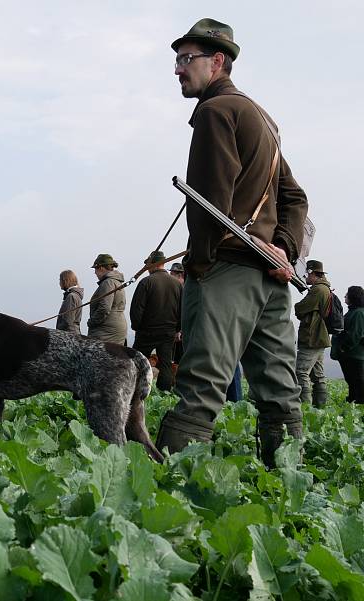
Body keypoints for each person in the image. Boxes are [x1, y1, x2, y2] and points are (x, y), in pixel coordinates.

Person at [156, 19, 308, 468]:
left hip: (226, 270)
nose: (179, 70)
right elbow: (295, 198)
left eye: (187, 60)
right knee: (281, 393)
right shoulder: (263, 118)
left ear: (217, 61)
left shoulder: (215, 111)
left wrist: (200, 265)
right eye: (177, 60)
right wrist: (286, 250)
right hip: (272, 278)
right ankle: (288, 484)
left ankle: (166, 493)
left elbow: (210, 201)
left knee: (201, 388)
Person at [130, 251, 182, 391]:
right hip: (168, 331)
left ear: (154, 264)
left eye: (148, 264)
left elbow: (136, 309)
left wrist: (137, 327)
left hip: (147, 331)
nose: (147, 268)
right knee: (165, 364)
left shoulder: (146, 282)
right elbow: (182, 309)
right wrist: (177, 329)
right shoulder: (177, 284)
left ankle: (135, 390)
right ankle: (164, 392)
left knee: (137, 363)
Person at [294, 260, 332, 406]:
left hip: (313, 336)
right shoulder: (325, 288)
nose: (305, 277)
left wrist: (298, 306)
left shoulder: (318, 290)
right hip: (319, 337)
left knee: (301, 372)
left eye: (306, 274)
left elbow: (300, 308)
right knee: (318, 375)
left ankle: (305, 407)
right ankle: (319, 408)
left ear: (311, 272)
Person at [331, 286, 364, 404]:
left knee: (358, 384)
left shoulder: (359, 313)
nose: (345, 296)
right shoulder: (353, 311)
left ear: (353, 297)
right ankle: (353, 404)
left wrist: (343, 348)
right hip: (351, 355)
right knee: (353, 382)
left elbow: (355, 335)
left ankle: (359, 409)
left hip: (355, 356)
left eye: (347, 294)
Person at [86, 254, 127, 344]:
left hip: (106, 329)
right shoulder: (116, 281)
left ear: (100, 268)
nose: (95, 273)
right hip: (116, 326)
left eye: (95, 270)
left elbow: (104, 308)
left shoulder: (108, 282)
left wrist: (91, 322)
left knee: (97, 356)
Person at [55, 270, 83, 334]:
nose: (59, 283)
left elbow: (68, 321)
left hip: (70, 335)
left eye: (60, 280)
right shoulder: (74, 295)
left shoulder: (71, 296)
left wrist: (57, 332)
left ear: (65, 281)